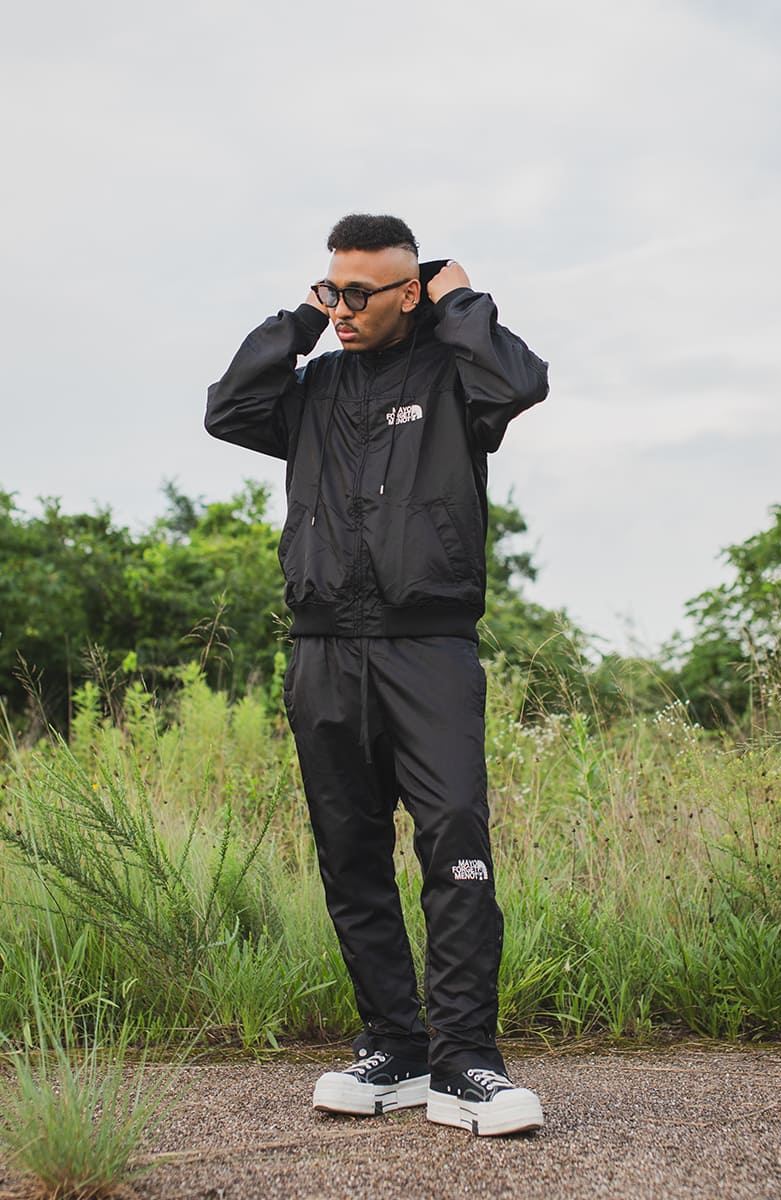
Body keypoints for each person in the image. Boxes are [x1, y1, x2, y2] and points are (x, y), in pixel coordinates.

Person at [205, 214, 549, 1136]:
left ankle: (466, 1063)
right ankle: (396, 1049)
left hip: (427, 646)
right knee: (350, 853)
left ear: (409, 291)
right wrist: (300, 321)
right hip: (322, 648)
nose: (343, 307)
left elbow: (519, 382)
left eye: (361, 293)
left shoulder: (454, 378)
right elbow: (227, 408)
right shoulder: (313, 387)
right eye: (332, 289)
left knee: (454, 841)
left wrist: (460, 302)